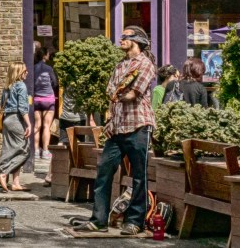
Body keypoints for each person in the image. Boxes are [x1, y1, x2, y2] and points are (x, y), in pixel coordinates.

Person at [75, 25, 156, 236]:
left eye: (125, 37)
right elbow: (111, 89)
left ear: (136, 40)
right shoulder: (121, 65)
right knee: (103, 171)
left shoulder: (146, 64)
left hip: (138, 125)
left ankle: (135, 221)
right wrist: (119, 92)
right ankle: (98, 219)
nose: (121, 39)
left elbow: (133, 94)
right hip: (117, 127)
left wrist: (119, 93)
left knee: (139, 176)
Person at [0, 62, 32, 193]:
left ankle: (15, 183)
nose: (27, 73)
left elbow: (1, 105)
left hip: (7, 120)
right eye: (24, 71)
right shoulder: (21, 86)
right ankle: (3, 172)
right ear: (19, 72)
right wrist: (28, 124)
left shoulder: (7, 86)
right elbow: (22, 107)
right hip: (16, 119)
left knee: (11, 149)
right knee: (24, 150)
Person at [33, 47, 58, 160]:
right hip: (48, 100)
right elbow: (55, 82)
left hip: (36, 99)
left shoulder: (33, 68)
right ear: (45, 56)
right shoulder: (49, 68)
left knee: (37, 125)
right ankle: (46, 151)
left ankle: (36, 151)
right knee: (46, 126)